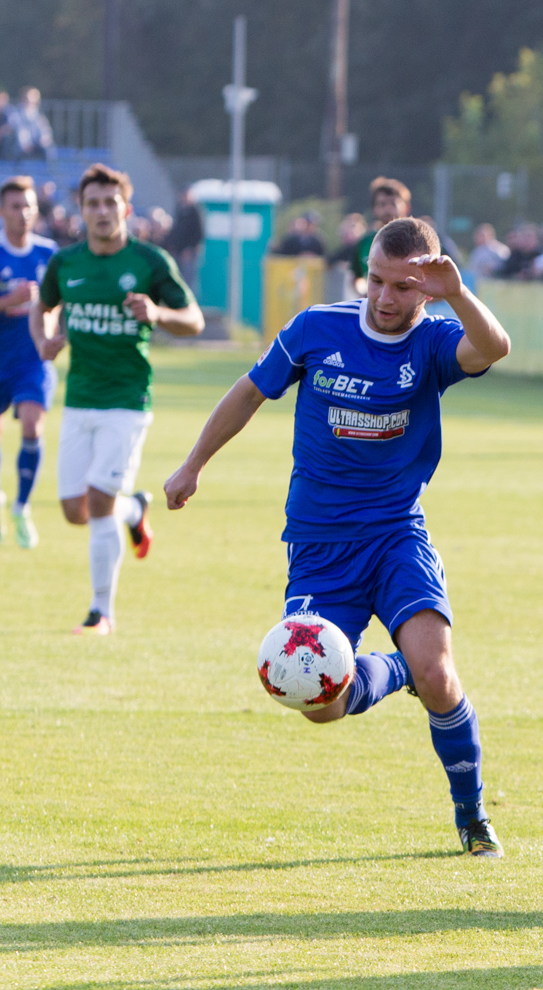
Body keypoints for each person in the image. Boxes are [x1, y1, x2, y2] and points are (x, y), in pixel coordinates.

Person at [163, 216, 512, 856]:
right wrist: (193, 464)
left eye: (404, 287)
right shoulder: (317, 329)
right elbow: (249, 391)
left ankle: (472, 815)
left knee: (441, 676)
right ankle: (395, 670)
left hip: (395, 536)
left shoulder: (435, 340)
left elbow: (492, 348)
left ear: (427, 290)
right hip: (319, 547)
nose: (385, 297)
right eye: (376, 280)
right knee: (319, 705)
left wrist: (460, 295)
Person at [30, 164, 204, 635]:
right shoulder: (65, 263)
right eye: (93, 203)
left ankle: (100, 612)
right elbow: (41, 306)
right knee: (74, 510)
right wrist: (45, 339)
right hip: (80, 399)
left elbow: (194, 321)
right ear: (81, 210)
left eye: (111, 203)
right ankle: (136, 509)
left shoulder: (148, 262)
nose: (102, 211)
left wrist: (158, 312)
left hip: (128, 401)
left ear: (126, 208)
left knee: (99, 501)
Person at [0, 176, 58, 547]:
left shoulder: (49, 253)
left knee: (33, 427)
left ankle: (21, 506)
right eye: (15, 206)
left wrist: (49, 329)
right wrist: (10, 300)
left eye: (28, 207)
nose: (23, 214)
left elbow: (57, 301)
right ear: (2, 211)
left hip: (32, 358)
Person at [351, 178, 410, 283]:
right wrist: (364, 291)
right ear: (374, 209)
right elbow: (356, 277)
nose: (387, 209)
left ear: (406, 207)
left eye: (393, 204)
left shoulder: (418, 239)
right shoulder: (366, 242)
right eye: (382, 204)